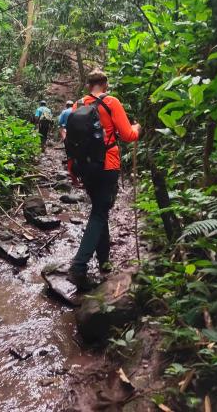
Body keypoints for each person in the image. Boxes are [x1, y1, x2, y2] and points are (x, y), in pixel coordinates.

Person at [67, 69, 141, 291]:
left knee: (99, 210)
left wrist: (72, 170)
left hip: (85, 167)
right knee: (99, 212)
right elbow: (128, 135)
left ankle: (104, 260)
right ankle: (79, 266)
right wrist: (137, 128)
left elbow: (72, 142)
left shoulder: (78, 105)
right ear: (105, 85)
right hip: (107, 164)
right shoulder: (111, 102)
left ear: (88, 85)